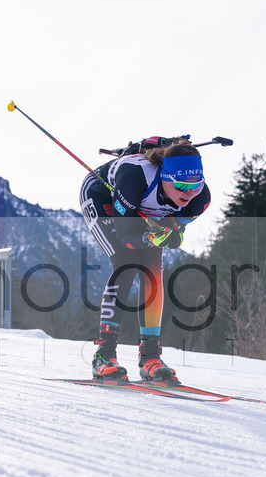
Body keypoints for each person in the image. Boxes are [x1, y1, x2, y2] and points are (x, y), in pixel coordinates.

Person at [79, 138, 212, 381]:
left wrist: (172, 233)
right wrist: (153, 236)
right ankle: (104, 354)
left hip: (141, 209)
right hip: (102, 196)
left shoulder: (200, 199)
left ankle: (150, 356)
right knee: (126, 263)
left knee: (153, 272)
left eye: (195, 185)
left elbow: (174, 228)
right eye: (182, 185)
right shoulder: (135, 178)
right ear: (164, 176)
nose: (189, 193)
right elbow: (126, 237)